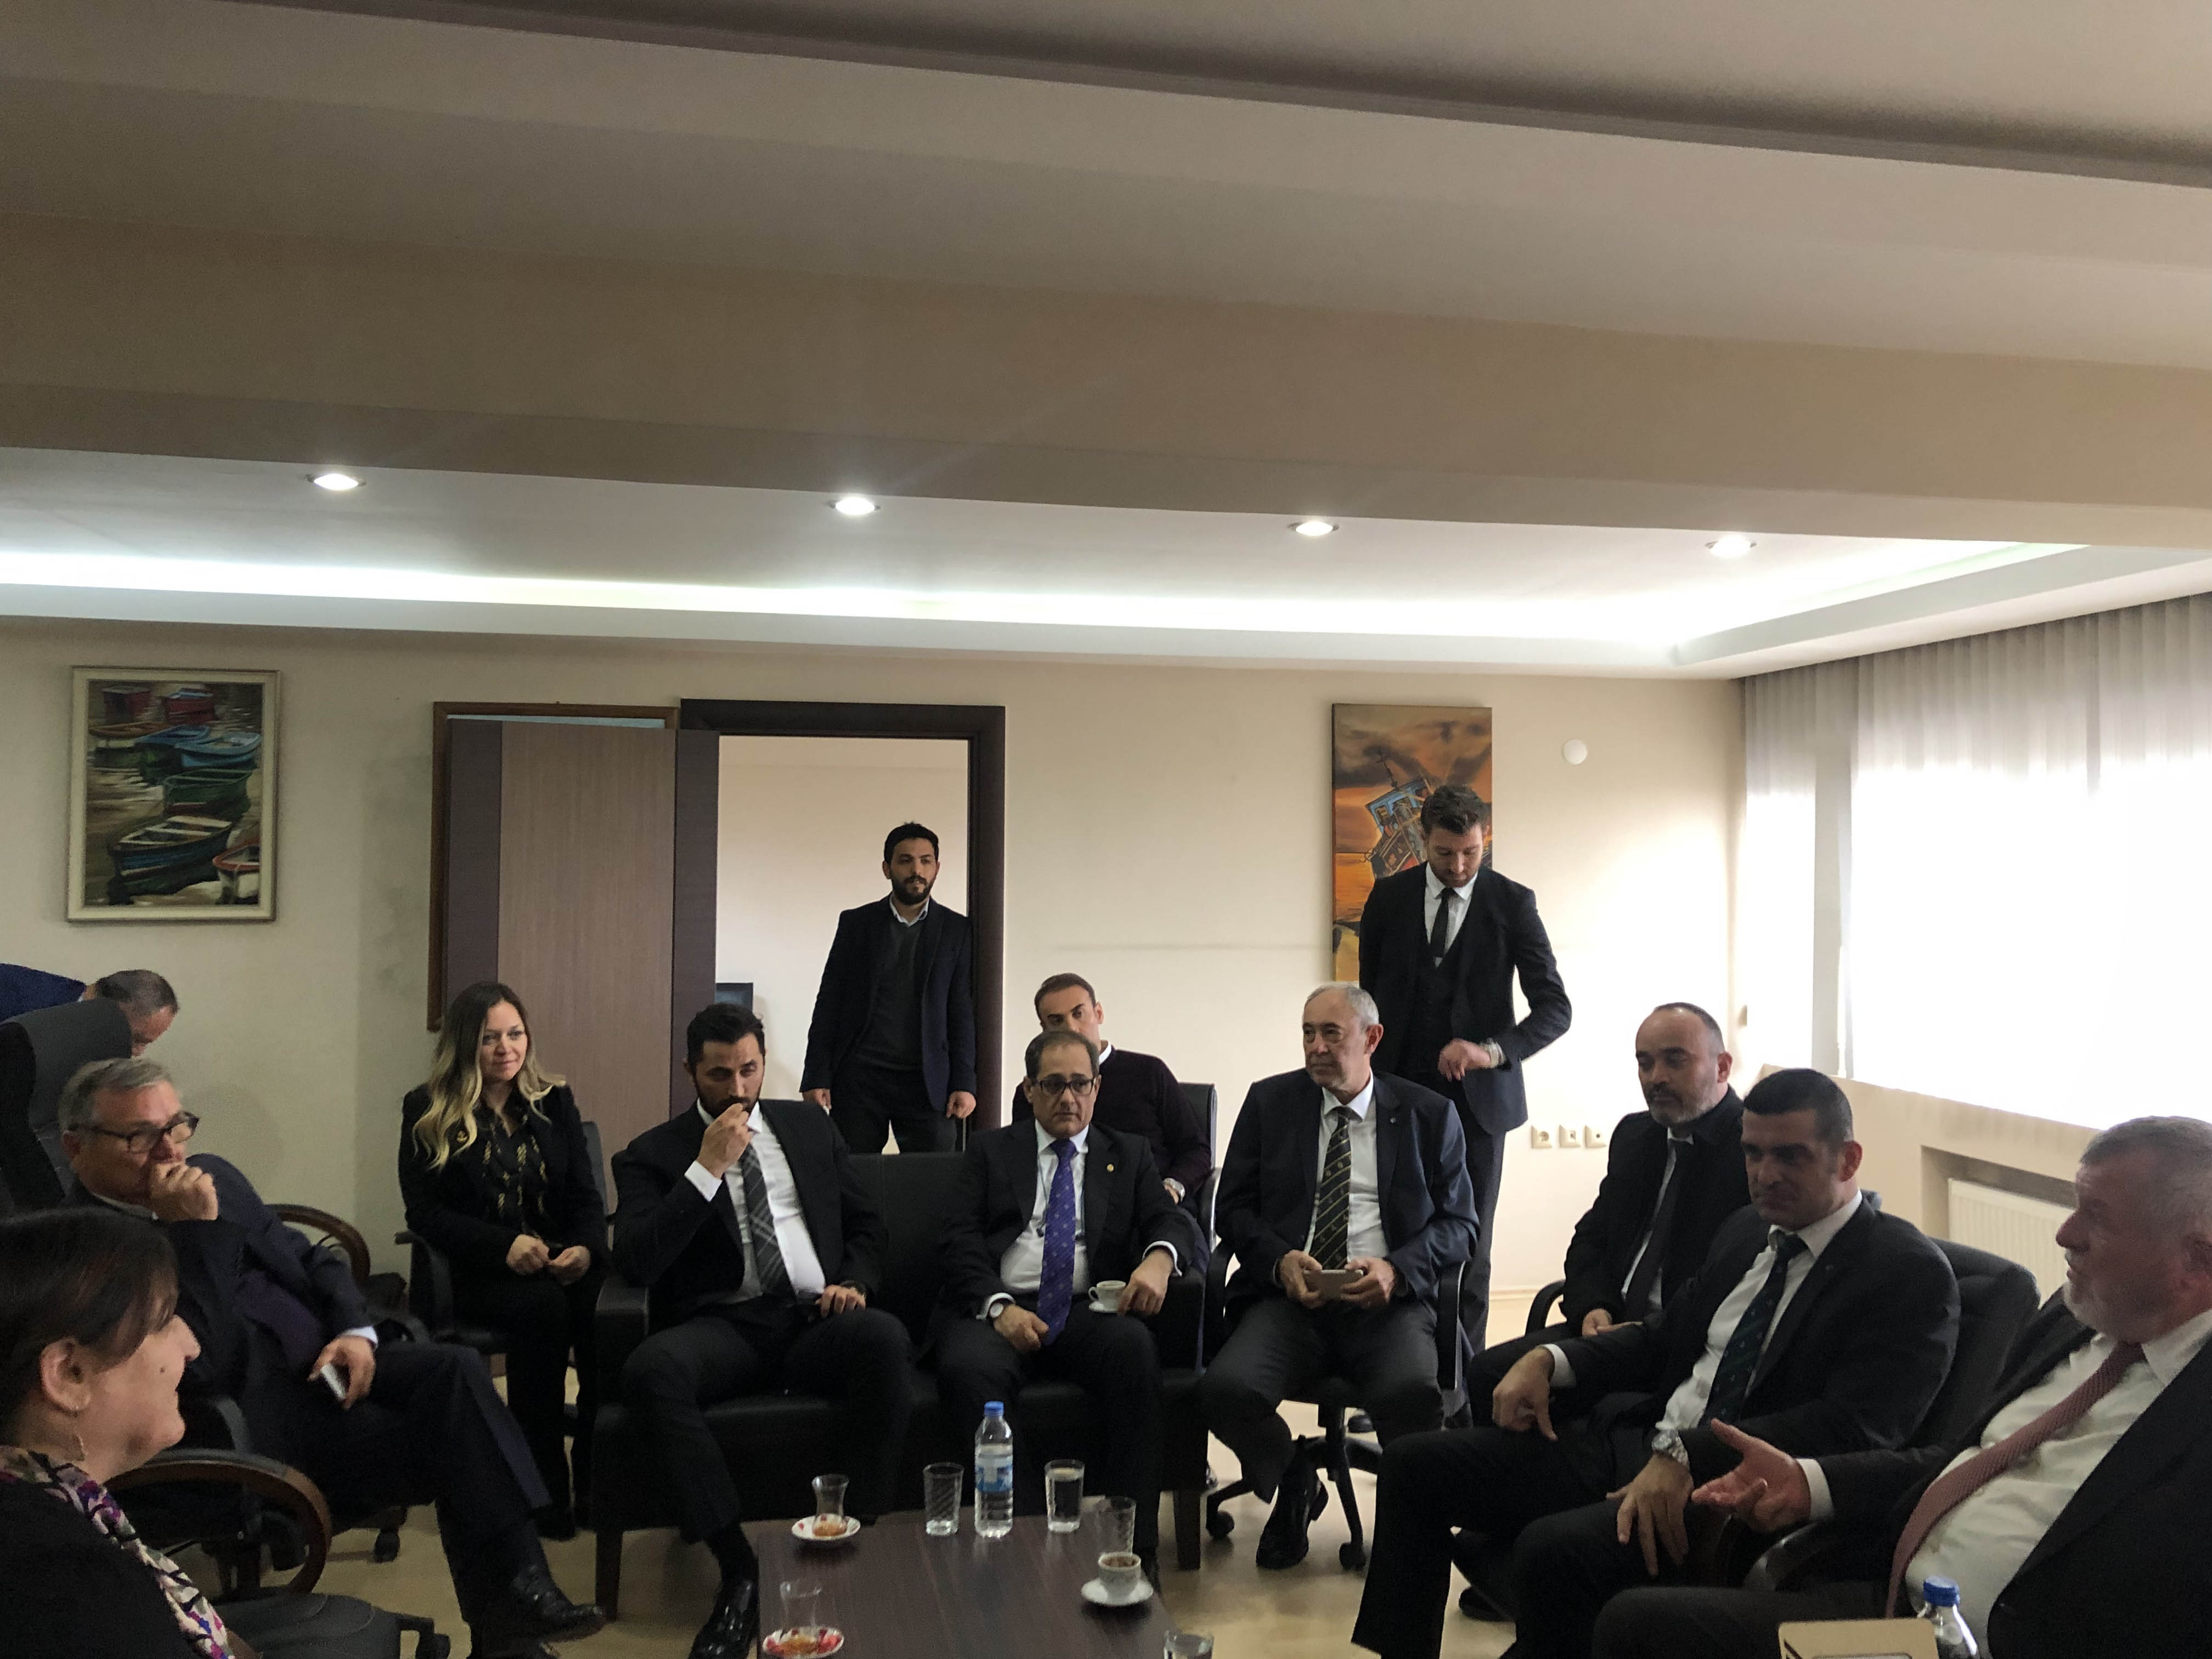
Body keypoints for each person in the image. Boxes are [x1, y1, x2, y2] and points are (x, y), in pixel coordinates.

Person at [1350, 1068, 1960, 1659]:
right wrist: (1553, 1358)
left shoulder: (1903, 1272)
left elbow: (1854, 1427)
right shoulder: (1749, 1232)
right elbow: (1661, 1339)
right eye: (1752, 1154)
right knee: (1414, 1466)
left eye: (1790, 1157)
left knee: (1550, 1549)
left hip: (1724, 1490)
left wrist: (1691, 1454)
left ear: (1847, 1160)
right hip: (1640, 1441)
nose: (1764, 1174)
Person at [1595, 1114, 2212, 1659]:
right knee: (1640, 1625)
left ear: (2196, 1258)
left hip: (1998, 1640)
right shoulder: (2074, 1320)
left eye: (2097, 1217)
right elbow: (1964, 1460)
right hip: (1900, 1613)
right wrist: (1810, 1484)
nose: (2065, 1234)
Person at [61, 1057, 601, 1659]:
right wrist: (194, 1234)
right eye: (140, 1137)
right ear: (75, 1147)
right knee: (460, 1442)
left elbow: (312, 1258)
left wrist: (354, 1331)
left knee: (455, 1370)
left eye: (177, 1125)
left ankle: (523, 1595)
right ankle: (513, 1632)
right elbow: (204, 1364)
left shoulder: (213, 1176)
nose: (170, 1151)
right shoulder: (85, 1248)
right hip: (257, 1418)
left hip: (329, 1362)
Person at [614, 1001, 913, 1659]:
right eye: (720, 1075)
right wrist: (705, 1170)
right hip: (725, 1327)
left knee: (885, 1340)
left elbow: (867, 1223)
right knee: (652, 1372)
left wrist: (855, 1282)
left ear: (763, 1062)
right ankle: (738, 1568)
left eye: (749, 1070)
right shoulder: (650, 1154)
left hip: (813, 1317)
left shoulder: (808, 1126)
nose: (739, 1088)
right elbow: (636, 1259)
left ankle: (856, 1534)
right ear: (690, 1072)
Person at [1200, 983, 1479, 1570]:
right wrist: (1279, 1260)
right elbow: (1233, 1210)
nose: (1317, 1047)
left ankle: (1409, 1535)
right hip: (1291, 1302)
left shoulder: (1429, 1114)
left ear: (1372, 1039)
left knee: (1413, 1395)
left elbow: (1460, 1225)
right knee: (1224, 1390)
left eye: (1332, 1034)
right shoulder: (1271, 1103)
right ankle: (1294, 1478)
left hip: (1386, 1305)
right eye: (1308, 1033)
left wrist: (1397, 1270)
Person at [940, 1026, 1201, 1576]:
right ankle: (1024, 1545)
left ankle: (1134, 1551)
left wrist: (1159, 1258)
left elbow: (1170, 1219)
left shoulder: (1127, 1153)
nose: (1068, 1097)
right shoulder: (991, 1151)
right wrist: (999, 1308)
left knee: (1135, 1350)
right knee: (966, 1367)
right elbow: (957, 1238)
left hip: (1088, 1310)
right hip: (1004, 1307)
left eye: (1080, 1084)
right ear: (1030, 1090)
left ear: (1097, 1088)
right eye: (1053, 1085)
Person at [1358, 783, 1571, 1352]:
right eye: (1445, 853)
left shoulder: (1513, 903)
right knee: (1396, 1232)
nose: (1458, 867)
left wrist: (1490, 1051)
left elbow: (1556, 1009)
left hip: (1480, 1107)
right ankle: (1397, 1365)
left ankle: (1463, 1378)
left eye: (1471, 853)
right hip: (1397, 1095)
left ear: (1485, 841)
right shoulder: (1388, 898)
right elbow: (1368, 999)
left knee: (1472, 1243)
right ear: (1423, 839)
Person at [399, 980, 607, 1538]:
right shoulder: (427, 1109)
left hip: (558, 1259)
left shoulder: (552, 1099)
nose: (506, 1048)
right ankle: (544, 1490)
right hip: (480, 1270)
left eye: (515, 1034)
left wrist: (586, 1248)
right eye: (490, 1038)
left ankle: (598, 1478)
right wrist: (503, 1246)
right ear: (465, 1043)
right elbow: (424, 1213)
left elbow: (586, 1195)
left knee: (607, 1309)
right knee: (545, 1312)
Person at [1468, 1003, 1749, 1402]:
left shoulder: (1753, 1151)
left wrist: (1648, 1332)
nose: (1656, 1078)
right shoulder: (1638, 1136)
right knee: (1487, 1374)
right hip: (1609, 1328)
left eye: (1675, 1061)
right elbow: (1591, 1239)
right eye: (1645, 1063)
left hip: (1687, 1345)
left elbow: (1735, 1280)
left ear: (1722, 1067)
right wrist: (1592, 1307)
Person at [0, 1205, 233, 1657]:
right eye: (162, 1322)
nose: (191, 1346)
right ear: (70, 1375)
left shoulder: (54, 1514)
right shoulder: (68, 1592)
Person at [800, 821, 978, 1154]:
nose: (916, 870)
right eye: (905, 860)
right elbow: (829, 1002)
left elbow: (961, 1011)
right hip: (861, 1075)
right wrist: (816, 1075)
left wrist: (964, 1082)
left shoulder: (957, 930)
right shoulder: (856, 924)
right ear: (887, 868)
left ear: (937, 868)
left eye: (926, 861)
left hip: (927, 1079)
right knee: (853, 1172)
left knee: (934, 1174)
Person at [1007, 972, 1212, 1213]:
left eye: (1078, 1014)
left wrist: (1170, 1190)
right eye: (1056, 1021)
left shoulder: (1148, 1072)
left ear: (1099, 1013)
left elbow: (1196, 1150)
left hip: (1152, 1207)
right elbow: (1023, 1164)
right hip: (1068, 1214)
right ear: (1044, 1030)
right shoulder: (1036, 1091)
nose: (1071, 1028)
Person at [0, 969, 177, 1209]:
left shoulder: (85, 1038)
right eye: (136, 1039)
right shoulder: (21, 1010)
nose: (136, 1053)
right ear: (110, 1011)